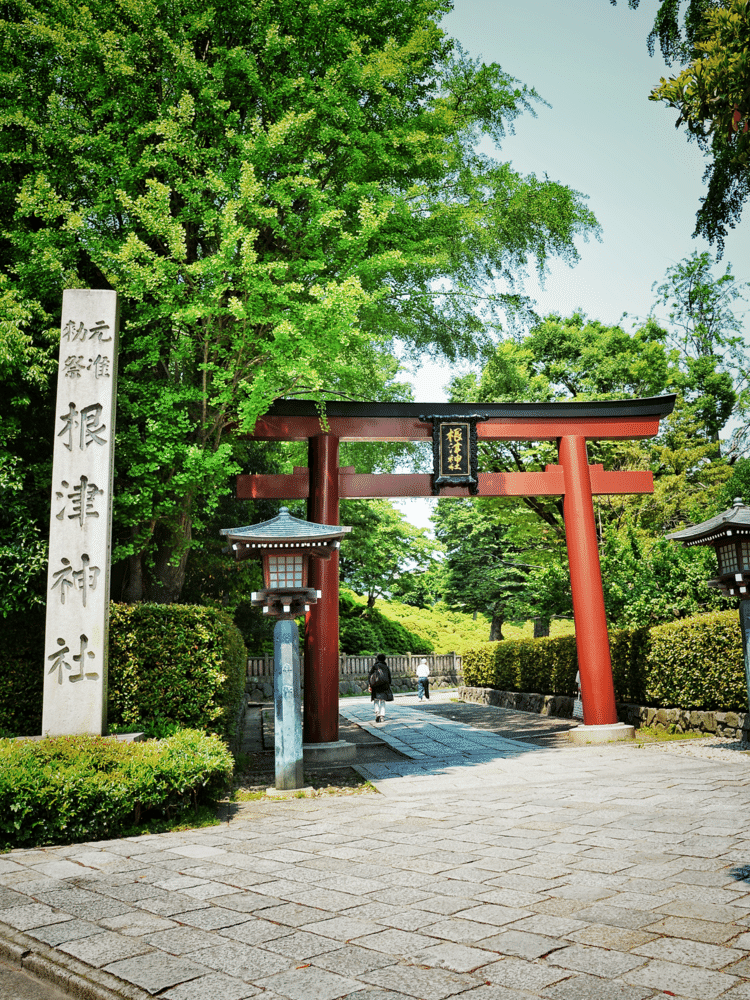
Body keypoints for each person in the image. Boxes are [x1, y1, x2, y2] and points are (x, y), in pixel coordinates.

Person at [368, 653, 392, 723]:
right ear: (384, 659)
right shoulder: (386, 667)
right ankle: (382, 716)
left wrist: (370, 684)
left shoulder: (375, 666)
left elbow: (370, 676)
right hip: (384, 686)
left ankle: (377, 713)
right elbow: (389, 677)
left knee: (376, 699)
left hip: (375, 685)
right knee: (382, 701)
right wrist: (388, 685)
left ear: (377, 659)